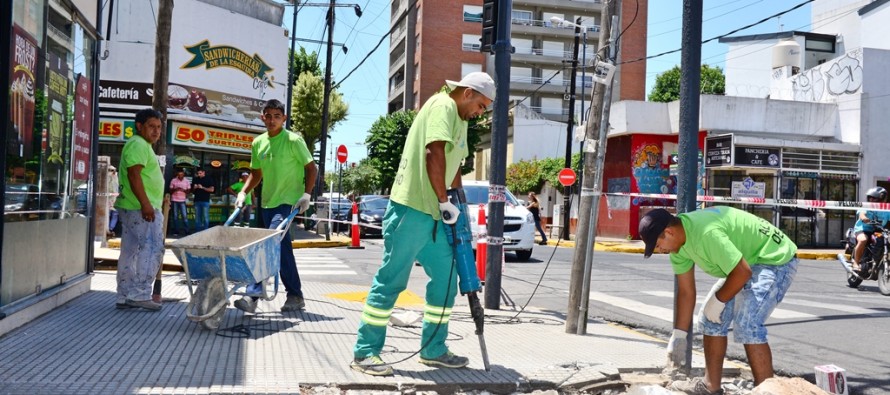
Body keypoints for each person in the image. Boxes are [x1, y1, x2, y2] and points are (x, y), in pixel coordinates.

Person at [351, 72, 495, 376]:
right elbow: (434, 152)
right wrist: (444, 201)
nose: (481, 113)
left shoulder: (462, 121)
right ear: (468, 93)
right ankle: (365, 352)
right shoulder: (443, 105)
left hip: (437, 215)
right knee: (392, 281)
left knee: (446, 280)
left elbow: (453, 167)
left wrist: (458, 204)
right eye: (481, 106)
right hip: (412, 208)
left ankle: (434, 349)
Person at [638, 206, 798, 394]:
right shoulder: (678, 248)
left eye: (657, 245)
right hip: (745, 261)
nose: (659, 251)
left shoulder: (706, 233)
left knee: (748, 324)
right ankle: (710, 387)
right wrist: (679, 335)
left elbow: (742, 272)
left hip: (773, 258)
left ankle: (767, 390)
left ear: (669, 232)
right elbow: (686, 292)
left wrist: (719, 300)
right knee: (710, 320)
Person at [232, 99, 317, 313]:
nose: (272, 120)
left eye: (277, 116)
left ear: (284, 119)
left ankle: (253, 294)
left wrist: (306, 194)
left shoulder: (293, 140)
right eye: (268, 116)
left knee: (267, 244)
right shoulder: (258, 143)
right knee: (280, 248)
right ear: (262, 117)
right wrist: (244, 191)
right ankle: (295, 295)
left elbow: (311, 168)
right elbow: (256, 173)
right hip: (267, 202)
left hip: (288, 202)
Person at [114, 108, 166, 311]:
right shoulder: (138, 144)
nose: (156, 131)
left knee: (131, 251)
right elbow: (134, 175)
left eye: (159, 128)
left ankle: (125, 294)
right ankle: (140, 294)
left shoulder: (139, 145)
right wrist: (146, 204)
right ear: (139, 126)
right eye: (152, 126)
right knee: (153, 247)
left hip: (132, 207)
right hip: (142, 208)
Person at [851, 187, 888, 272]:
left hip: (878, 230)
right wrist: (864, 218)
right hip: (863, 229)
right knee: (863, 240)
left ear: (881, 198)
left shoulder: (886, 209)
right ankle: (856, 263)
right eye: (870, 197)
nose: (871, 199)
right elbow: (862, 214)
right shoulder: (866, 206)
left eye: (874, 198)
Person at [169, 169, 191, 235]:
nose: (180, 176)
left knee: (184, 216)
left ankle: (187, 231)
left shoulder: (187, 181)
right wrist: (176, 189)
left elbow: (189, 191)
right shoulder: (173, 180)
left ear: (184, 174)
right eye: (178, 174)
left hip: (182, 200)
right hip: (174, 200)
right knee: (175, 217)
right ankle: (176, 231)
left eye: (181, 174)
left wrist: (183, 190)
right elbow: (170, 191)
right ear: (177, 174)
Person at [107, 166, 119, 238]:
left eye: (114, 170)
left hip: (115, 199)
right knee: (108, 214)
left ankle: (110, 229)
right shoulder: (108, 178)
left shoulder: (116, 178)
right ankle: (108, 229)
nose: (113, 172)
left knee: (115, 214)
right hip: (108, 199)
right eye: (111, 170)